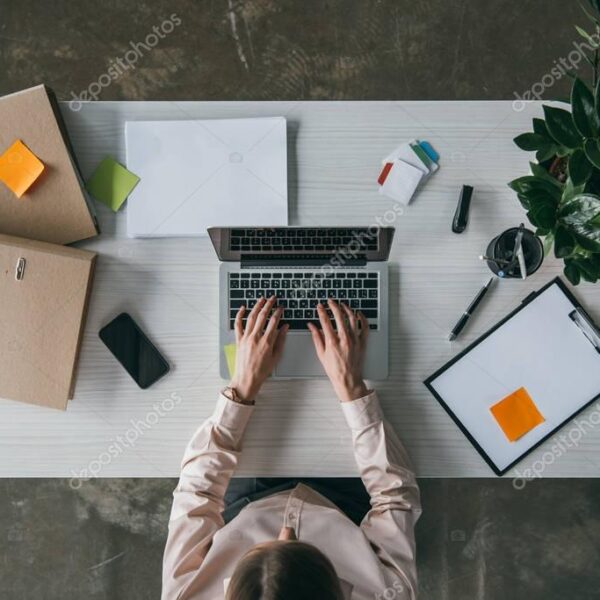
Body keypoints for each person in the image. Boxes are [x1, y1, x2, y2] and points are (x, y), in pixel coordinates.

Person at [162, 296, 421, 600]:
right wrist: (352, 388)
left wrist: (242, 388)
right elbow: (395, 498)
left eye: (261, 548)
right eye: (301, 545)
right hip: (348, 509)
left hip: (246, 505)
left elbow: (197, 494)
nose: (286, 529)